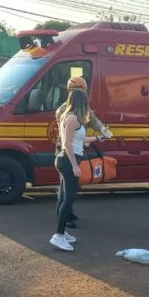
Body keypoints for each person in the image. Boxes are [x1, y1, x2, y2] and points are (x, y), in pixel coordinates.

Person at [54, 76, 112, 228]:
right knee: (66, 189)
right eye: (83, 91)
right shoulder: (66, 112)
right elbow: (68, 141)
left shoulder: (79, 109)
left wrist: (102, 130)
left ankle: (67, 212)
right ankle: (63, 219)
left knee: (70, 188)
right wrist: (74, 165)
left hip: (73, 150)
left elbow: (92, 119)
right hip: (67, 152)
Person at [51, 89, 102, 251]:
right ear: (81, 102)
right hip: (67, 160)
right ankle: (58, 235)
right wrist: (74, 165)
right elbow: (67, 143)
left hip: (67, 160)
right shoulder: (72, 118)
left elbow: (80, 138)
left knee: (65, 197)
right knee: (68, 199)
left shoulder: (72, 117)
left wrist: (98, 138)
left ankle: (62, 232)